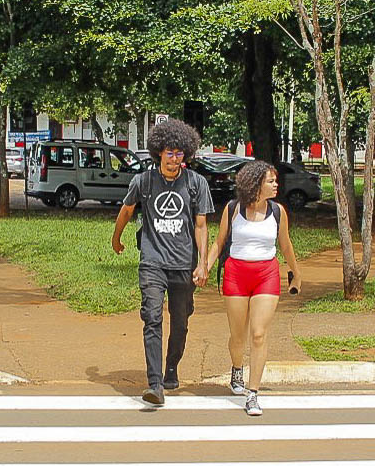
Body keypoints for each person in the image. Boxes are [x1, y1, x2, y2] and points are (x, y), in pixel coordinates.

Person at [110, 119, 214, 406]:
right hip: (152, 262)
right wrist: (116, 238)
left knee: (180, 322)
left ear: (186, 154)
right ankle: (155, 383)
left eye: (179, 153)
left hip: (184, 264)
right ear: (158, 153)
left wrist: (203, 263)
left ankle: (171, 367)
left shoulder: (196, 183)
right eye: (169, 153)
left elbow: (201, 225)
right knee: (152, 318)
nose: (174, 159)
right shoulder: (143, 181)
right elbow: (126, 210)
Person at [204, 160, 302, 417]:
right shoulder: (233, 209)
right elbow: (219, 243)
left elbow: (286, 244)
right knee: (238, 336)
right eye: (271, 181)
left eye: (275, 181)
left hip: (266, 274)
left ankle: (253, 393)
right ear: (256, 184)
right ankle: (237, 368)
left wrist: (296, 273)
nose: (276, 185)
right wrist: (205, 267)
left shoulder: (278, 212)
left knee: (258, 334)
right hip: (236, 274)